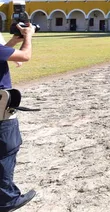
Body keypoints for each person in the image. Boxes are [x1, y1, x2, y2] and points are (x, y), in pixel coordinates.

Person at [0, 23, 37, 211]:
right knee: (7, 150)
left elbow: (1, 53)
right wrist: (28, 36)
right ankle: (7, 199)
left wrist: (14, 40)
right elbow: (25, 56)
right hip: (1, 111)